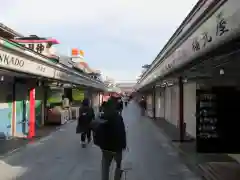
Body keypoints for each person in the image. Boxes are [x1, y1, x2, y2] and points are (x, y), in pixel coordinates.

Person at [93, 98, 127, 180]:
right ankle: (117, 178)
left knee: (105, 166)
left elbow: (95, 127)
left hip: (106, 148)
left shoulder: (103, 116)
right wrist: (123, 145)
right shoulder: (118, 117)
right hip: (117, 148)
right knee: (118, 165)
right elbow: (122, 132)